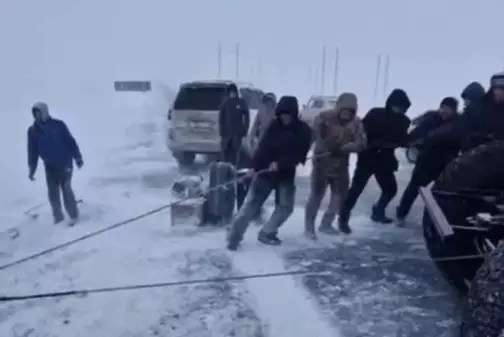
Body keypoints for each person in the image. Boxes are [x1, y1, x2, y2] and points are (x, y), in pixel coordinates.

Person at [226, 95, 312, 250]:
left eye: (288, 115)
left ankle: (267, 232)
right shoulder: (274, 126)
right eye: (282, 114)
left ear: (294, 113)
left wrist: (280, 163)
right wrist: (254, 167)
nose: (285, 118)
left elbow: (299, 154)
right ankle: (234, 236)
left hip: (285, 174)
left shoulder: (303, 130)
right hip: (265, 174)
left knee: (286, 207)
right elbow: (263, 148)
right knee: (252, 205)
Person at [337, 89, 411, 233]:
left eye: (402, 107)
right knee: (356, 190)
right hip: (368, 158)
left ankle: (378, 211)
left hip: (385, 160)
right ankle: (343, 219)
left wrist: (399, 143)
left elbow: (402, 139)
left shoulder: (404, 121)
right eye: (396, 106)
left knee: (390, 190)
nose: (398, 109)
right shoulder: (375, 113)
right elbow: (361, 130)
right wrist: (365, 143)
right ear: (390, 103)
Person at [304, 92, 366, 239]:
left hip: (341, 166)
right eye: (344, 110)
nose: (346, 114)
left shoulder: (356, 124)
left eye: (350, 111)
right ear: (338, 108)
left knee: (339, 198)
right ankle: (309, 228)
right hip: (322, 163)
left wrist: (346, 147)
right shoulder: (323, 118)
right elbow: (311, 137)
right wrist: (304, 152)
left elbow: (361, 144)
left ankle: (326, 223)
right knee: (316, 196)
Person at [396, 97, 460, 225]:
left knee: (443, 195)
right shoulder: (431, 120)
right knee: (413, 189)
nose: (444, 111)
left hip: (445, 164)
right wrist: (406, 141)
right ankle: (401, 214)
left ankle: (441, 222)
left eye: (448, 109)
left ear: (454, 111)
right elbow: (416, 134)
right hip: (426, 162)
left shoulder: (458, 124)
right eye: (442, 108)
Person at [27, 102, 83, 225]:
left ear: (45, 112)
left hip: (65, 163)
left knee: (66, 189)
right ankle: (58, 219)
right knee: (53, 194)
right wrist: (32, 169)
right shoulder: (33, 131)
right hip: (50, 167)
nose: (37, 116)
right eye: (35, 114)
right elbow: (32, 151)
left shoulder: (58, 125)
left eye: (39, 113)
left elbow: (70, 142)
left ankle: (74, 216)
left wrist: (78, 157)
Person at [218, 84, 250, 165]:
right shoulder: (225, 103)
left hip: (237, 133)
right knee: (226, 154)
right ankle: (226, 169)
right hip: (226, 134)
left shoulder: (241, 102)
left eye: (233, 92)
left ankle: (235, 168)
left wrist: (245, 129)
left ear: (236, 92)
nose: (232, 94)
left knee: (236, 153)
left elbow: (246, 116)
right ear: (228, 93)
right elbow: (221, 118)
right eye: (230, 92)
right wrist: (221, 132)